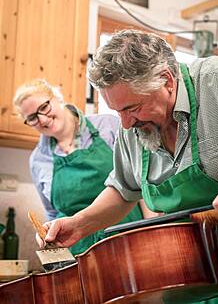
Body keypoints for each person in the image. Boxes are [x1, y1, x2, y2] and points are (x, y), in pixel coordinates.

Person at [35, 31, 218, 303]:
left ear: (167, 81)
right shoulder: (131, 127)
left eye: (132, 108)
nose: (124, 124)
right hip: (193, 285)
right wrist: (79, 224)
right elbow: (124, 190)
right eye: (117, 111)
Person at [13, 78, 157, 255]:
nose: (42, 119)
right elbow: (52, 213)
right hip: (77, 253)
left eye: (44, 107)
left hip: (128, 239)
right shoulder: (38, 160)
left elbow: (141, 183)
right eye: (32, 118)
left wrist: (153, 230)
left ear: (57, 98)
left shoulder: (109, 126)